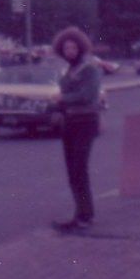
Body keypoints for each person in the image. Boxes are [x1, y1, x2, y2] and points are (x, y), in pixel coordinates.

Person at [51, 27, 102, 234]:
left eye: (73, 47)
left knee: (80, 168)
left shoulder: (90, 69)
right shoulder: (67, 71)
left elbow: (88, 95)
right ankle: (79, 214)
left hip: (86, 121)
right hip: (69, 121)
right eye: (66, 48)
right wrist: (57, 107)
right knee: (72, 170)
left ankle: (86, 215)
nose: (69, 51)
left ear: (80, 48)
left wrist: (64, 98)